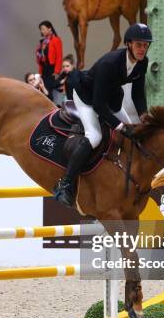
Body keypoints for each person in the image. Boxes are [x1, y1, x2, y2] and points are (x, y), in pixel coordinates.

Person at [53, 23, 153, 207]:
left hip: (111, 98)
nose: (143, 49)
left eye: (146, 45)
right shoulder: (110, 63)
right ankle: (65, 184)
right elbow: (98, 105)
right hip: (87, 96)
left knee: (136, 131)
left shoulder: (142, 63)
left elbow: (138, 94)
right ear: (129, 44)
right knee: (95, 136)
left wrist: (143, 117)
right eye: (139, 44)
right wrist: (121, 127)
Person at [35, 20, 63, 99]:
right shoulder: (42, 42)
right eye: (41, 29)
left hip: (52, 70)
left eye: (43, 29)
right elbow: (40, 59)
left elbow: (59, 57)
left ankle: (53, 109)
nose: (42, 31)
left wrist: (57, 71)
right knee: (44, 91)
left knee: (50, 92)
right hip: (44, 70)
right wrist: (40, 72)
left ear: (50, 28)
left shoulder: (56, 40)